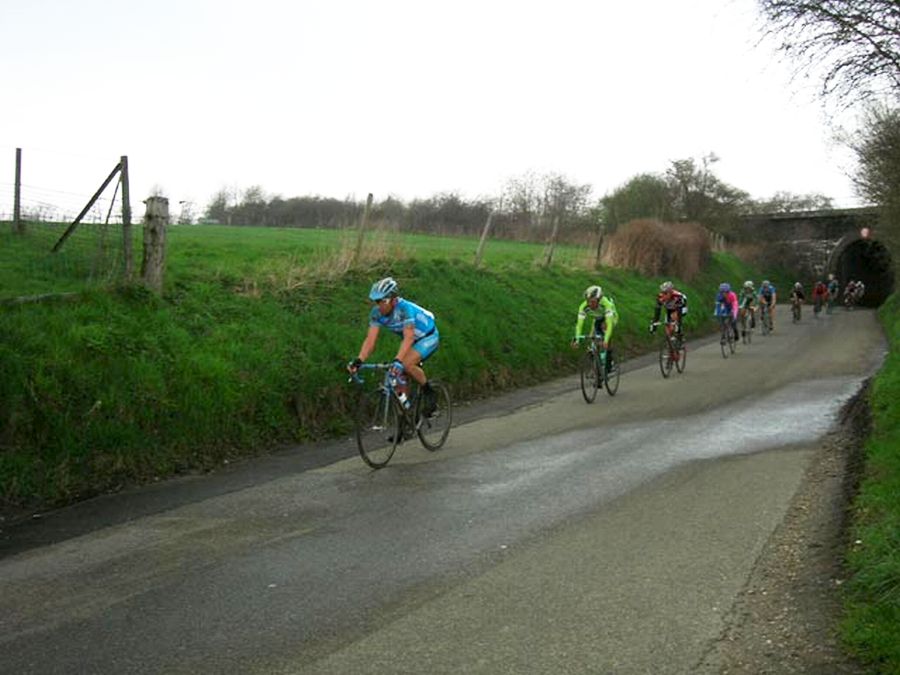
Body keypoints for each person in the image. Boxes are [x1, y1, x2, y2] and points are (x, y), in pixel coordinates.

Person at [348, 277, 439, 415]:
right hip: (412, 340)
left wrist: (398, 360)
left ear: (394, 300)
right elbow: (370, 340)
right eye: (377, 301)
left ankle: (429, 392)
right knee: (398, 375)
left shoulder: (405, 309)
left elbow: (408, 338)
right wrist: (359, 360)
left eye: (382, 301)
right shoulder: (376, 313)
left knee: (406, 364)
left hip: (428, 337)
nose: (379, 306)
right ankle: (406, 413)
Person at [571, 284, 619, 367]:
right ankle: (596, 360)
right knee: (592, 336)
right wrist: (577, 340)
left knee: (604, 327)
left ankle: (609, 358)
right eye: (588, 301)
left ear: (599, 299)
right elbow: (579, 325)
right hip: (598, 318)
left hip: (611, 318)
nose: (590, 304)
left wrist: (606, 340)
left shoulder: (606, 304)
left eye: (593, 301)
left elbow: (609, 324)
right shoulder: (583, 307)